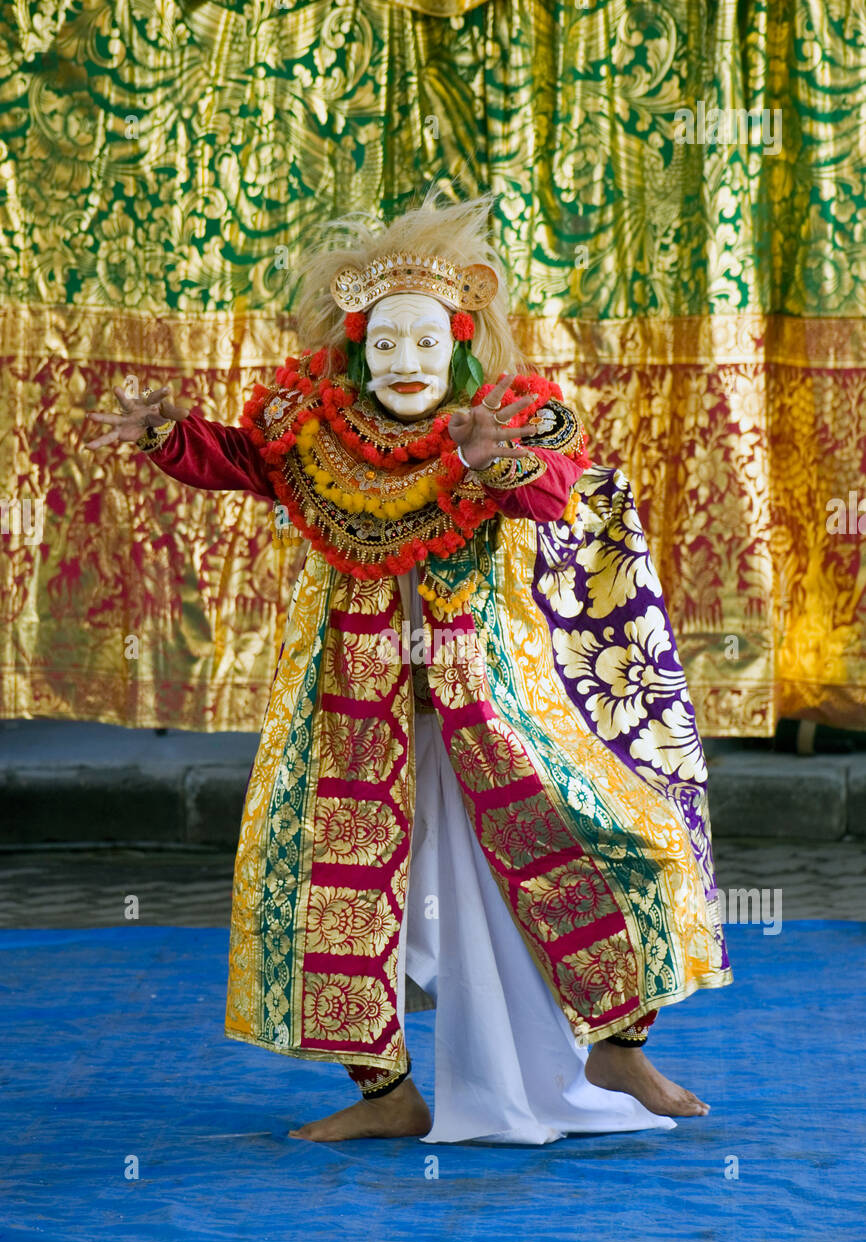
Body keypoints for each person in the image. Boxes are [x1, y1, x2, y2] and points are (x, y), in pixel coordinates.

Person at [87, 195, 731, 1145]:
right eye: (385, 344)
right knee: (336, 880)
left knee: (596, 835)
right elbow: (240, 462)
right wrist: (164, 436)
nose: (405, 364)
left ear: (461, 338)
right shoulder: (316, 428)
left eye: (425, 343)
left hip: (495, 706)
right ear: (358, 347)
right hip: (359, 707)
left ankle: (617, 1041)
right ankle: (387, 1090)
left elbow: (553, 496)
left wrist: (492, 462)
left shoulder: (514, 416)